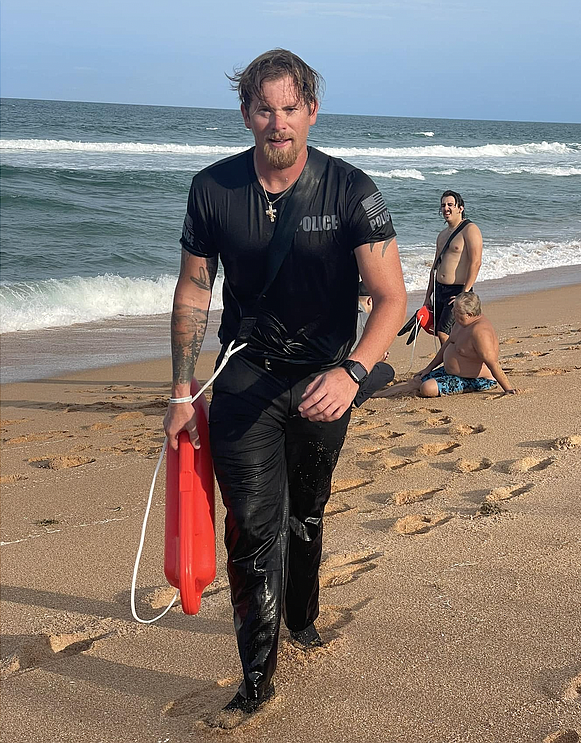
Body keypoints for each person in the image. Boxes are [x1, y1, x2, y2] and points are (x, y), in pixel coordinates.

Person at [162, 48, 406, 723]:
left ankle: (303, 616)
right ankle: (256, 679)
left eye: (289, 108)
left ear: (311, 112)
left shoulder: (351, 190)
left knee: (307, 514)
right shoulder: (212, 189)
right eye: (264, 109)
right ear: (246, 114)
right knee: (250, 531)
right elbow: (192, 289)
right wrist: (183, 388)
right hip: (243, 375)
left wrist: (354, 371)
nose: (278, 122)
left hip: (325, 380)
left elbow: (390, 297)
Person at [375, 290, 517, 398]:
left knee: (426, 388)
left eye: (458, 312)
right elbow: (447, 345)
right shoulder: (461, 323)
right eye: (454, 310)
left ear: (470, 314)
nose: (453, 314)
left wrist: (508, 388)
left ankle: (376, 394)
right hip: (452, 371)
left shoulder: (480, 333)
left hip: (478, 379)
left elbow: (492, 362)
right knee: (417, 380)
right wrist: (428, 368)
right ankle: (374, 395)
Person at [422, 190, 483, 347]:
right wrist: (428, 296)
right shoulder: (442, 235)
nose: (446, 208)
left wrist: (464, 294)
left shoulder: (470, 230)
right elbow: (435, 267)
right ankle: (454, 364)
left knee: (444, 332)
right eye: (443, 205)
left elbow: (476, 263)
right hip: (439, 290)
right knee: (440, 331)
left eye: (450, 204)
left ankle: (452, 366)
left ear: (460, 208)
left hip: (458, 290)